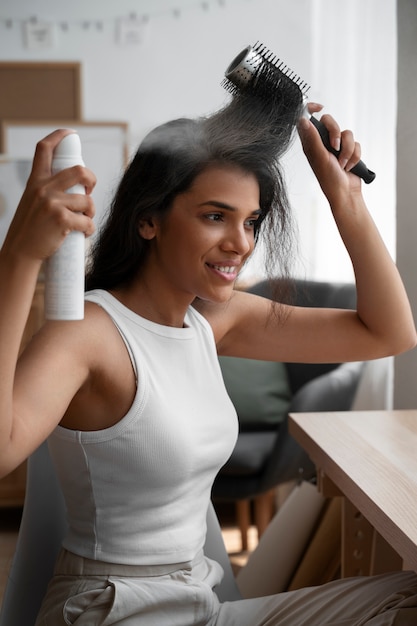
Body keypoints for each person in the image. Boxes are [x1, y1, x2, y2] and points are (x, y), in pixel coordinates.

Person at [0, 94, 417, 626]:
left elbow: (389, 333)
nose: (239, 243)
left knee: (407, 595)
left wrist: (346, 199)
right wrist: (19, 257)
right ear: (148, 219)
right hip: (114, 611)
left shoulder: (214, 322)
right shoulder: (89, 331)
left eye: (251, 221)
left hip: (202, 604)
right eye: (216, 216)